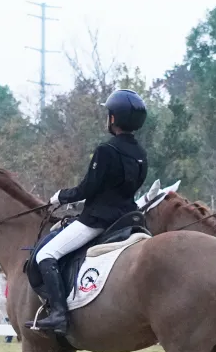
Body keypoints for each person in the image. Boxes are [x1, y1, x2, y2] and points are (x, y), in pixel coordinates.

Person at [32, 89, 148, 334]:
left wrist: (61, 196)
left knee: (46, 254)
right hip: (126, 218)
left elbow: (87, 188)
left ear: (114, 118)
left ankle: (59, 315)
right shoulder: (141, 154)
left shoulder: (106, 150)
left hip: (98, 220)